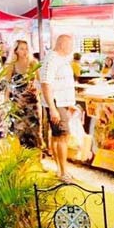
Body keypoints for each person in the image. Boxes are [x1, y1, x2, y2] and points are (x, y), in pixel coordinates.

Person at [39, 34, 77, 181]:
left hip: (62, 103)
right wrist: (53, 108)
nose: (71, 48)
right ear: (62, 44)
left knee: (56, 137)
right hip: (56, 103)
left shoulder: (61, 59)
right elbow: (46, 84)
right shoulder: (52, 59)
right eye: (70, 45)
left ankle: (60, 169)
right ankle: (63, 171)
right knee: (62, 136)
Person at [2, 39, 40, 148]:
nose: (25, 51)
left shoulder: (33, 63)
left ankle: (34, 155)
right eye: (22, 49)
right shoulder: (11, 65)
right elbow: (7, 84)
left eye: (26, 49)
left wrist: (37, 89)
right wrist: (6, 102)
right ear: (16, 50)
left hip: (31, 102)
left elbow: (40, 81)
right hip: (17, 102)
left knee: (33, 129)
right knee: (18, 130)